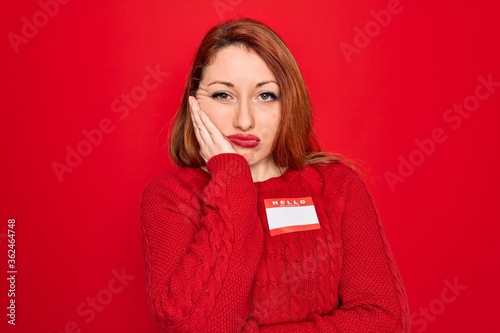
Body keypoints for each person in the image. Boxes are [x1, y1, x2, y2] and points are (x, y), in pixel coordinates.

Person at [140, 18, 410, 332]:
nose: (244, 120)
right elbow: (195, 327)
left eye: (266, 96)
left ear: (289, 104)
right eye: (222, 95)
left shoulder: (337, 187)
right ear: (194, 103)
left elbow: (383, 320)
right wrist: (231, 178)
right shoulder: (171, 198)